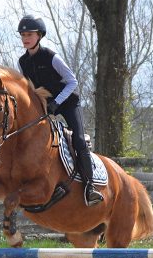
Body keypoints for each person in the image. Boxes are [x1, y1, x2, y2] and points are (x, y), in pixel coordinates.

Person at [17, 14, 103, 206]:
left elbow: (73, 81)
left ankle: (90, 188)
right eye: (22, 35)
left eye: (29, 34)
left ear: (39, 36)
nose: (25, 38)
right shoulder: (22, 62)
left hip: (69, 103)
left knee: (79, 140)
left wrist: (57, 101)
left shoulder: (51, 57)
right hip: (47, 106)